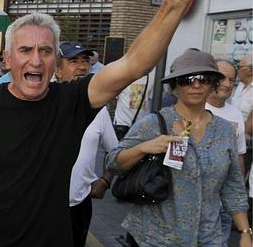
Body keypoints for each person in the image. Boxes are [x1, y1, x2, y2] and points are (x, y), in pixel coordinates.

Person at [0, 0, 208, 246]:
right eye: (25, 50)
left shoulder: (71, 101)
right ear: (8, 59)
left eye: (45, 51)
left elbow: (134, 65)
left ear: (55, 60)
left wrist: (174, 3)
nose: (36, 60)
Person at [106, 49, 251, 247]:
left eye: (204, 78)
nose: (196, 84)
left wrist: (244, 233)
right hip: (157, 237)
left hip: (209, 237)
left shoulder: (225, 130)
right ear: (175, 86)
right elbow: (113, 162)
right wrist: (144, 148)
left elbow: (233, 186)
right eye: (187, 79)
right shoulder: (154, 124)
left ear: (213, 85)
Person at [55, 41, 117, 247]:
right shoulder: (42, 102)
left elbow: (115, 152)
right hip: (43, 204)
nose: (82, 66)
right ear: (58, 70)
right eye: (73, 61)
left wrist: (105, 181)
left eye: (86, 61)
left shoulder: (99, 109)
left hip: (79, 205)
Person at [205, 59, 247, 247]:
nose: (227, 84)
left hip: (223, 206)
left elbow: (239, 156)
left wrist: (239, 194)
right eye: (223, 78)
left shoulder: (236, 114)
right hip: (194, 205)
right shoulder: (193, 109)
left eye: (232, 80)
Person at [114, 69, 155, 140]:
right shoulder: (123, 77)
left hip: (140, 126)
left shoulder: (152, 79)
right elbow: (113, 98)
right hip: (122, 124)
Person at [232, 54, 252, 137]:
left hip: (246, 138)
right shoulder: (240, 85)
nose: (237, 70)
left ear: (250, 70)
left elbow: (250, 125)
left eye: (239, 67)